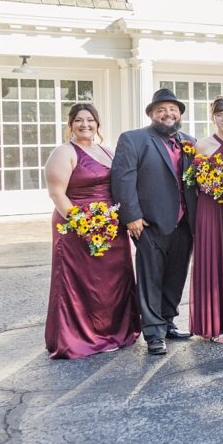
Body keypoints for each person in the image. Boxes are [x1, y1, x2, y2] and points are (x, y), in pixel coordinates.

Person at [44, 103, 139, 359]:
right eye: (78, 120)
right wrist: (83, 224)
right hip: (76, 226)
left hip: (110, 226)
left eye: (90, 120)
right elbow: (57, 193)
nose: (85, 125)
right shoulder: (64, 152)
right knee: (81, 283)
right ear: (70, 125)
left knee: (111, 281)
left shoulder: (106, 151)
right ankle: (79, 338)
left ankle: (113, 332)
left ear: (98, 124)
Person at [112, 88, 198, 356]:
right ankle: (153, 332)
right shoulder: (133, 139)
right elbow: (123, 179)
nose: (168, 114)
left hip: (184, 223)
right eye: (161, 110)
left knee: (176, 275)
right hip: (148, 222)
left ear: (180, 114)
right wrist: (132, 216)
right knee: (150, 279)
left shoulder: (190, 142)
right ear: (151, 114)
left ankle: (169, 322)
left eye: (173, 110)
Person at [189, 96, 223, 344]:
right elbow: (196, 181)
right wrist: (214, 184)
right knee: (213, 259)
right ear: (213, 117)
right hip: (211, 208)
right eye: (220, 114)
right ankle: (215, 324)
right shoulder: (202, 145)